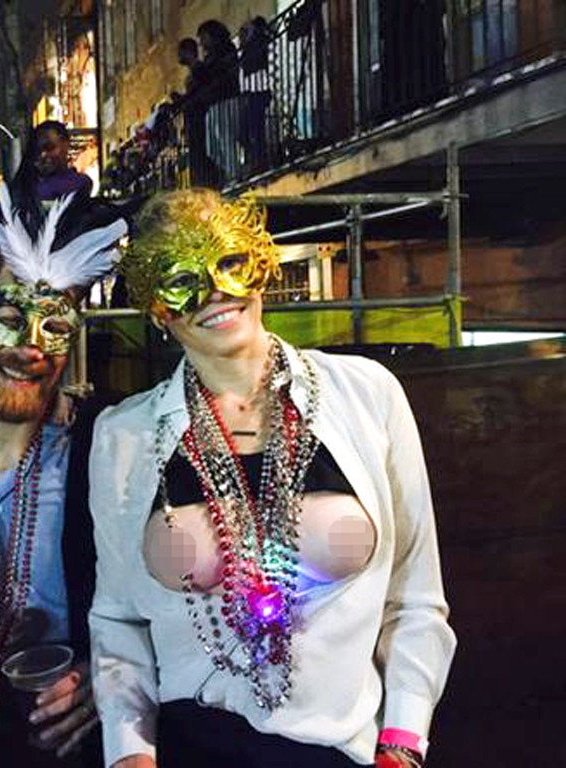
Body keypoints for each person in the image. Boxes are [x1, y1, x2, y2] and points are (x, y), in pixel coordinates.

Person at [89, 189, 456, 768]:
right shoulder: (124, 436)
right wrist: (129, 752)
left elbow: (415, 601)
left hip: (343, 751)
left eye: (228, 262)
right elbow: (116, 618)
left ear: (259, 264)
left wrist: (403, 743)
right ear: (157, 310)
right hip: (191, 747)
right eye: (179, 278)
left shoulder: (366, 394)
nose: (213, 291)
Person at [0, 183, 130, 767]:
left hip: (61, 736)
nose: (29, 347)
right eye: (7, 318)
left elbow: (156, 600)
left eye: (53, 325)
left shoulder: (107, 446)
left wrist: (106, 674)